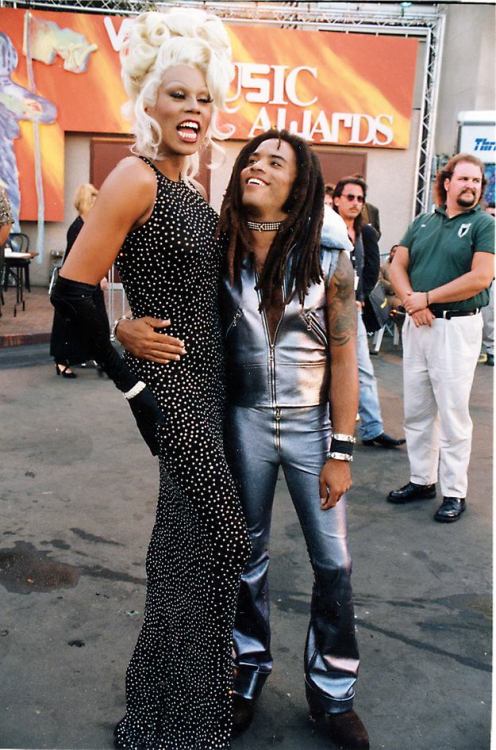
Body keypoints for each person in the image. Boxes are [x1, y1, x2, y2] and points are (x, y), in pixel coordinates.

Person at [117, 130, 370, 750]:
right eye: (252, 159)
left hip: (312, 428)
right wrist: (120, 323)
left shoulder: (328, 251)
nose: (258, 167)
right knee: (244, 559)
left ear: (300, 182)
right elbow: (148, 274)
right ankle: (245, 676)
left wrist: (342, 449)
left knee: (333, 564)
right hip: (244, 423)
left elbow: (344, 355)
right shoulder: (218, 246)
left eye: (275, 161)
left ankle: (334, 695)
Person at [51, 9, 250, 749]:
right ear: (148, 104)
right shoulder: (135, 175)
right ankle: (186, 718)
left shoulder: (186, 186)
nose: (192, 110)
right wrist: (130, 376)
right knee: (225, 539)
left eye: (202, 98)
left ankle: (163, 714)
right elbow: (68, 292)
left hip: (210, 381)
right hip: (171, 386)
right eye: (177, 96)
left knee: (185, 546)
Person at [387, 153, 494, 522]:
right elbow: (396, 264)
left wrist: (427, 298)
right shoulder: (422, 222)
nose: (470, 186)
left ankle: (454, 492)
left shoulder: (483, 224)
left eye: (476, 182)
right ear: (447, 183)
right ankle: (422, 480)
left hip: (456, 326)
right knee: (417, 410)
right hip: (419, 324)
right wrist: (411, 302)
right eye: (463, 179)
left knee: (452, 414)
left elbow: (481, 277)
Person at [333, 176, 405, 448]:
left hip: (353, 312)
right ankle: (324, 430)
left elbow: (372, 269)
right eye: (350, 197)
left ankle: (373, 428)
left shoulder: (367, 233)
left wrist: (360, 296)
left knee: (362, 370)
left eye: (360, 199)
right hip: (323, 312)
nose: (355, 203)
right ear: (337, 199)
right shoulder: (323, 229)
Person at [50, 183, 105, 378]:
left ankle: (99, 357)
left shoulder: (86, 225)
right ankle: (62, 361)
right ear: (87, 203)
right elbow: (82, 257)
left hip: (86, 281)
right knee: (70, 323)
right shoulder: (78, 228)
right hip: (76, 282)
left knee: (96, 319)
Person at [480, 202, 495, 366]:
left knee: (491, 316)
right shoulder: (479, 232)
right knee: (483, 316)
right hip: (480, 282)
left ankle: (492, 351)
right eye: (489, 215)